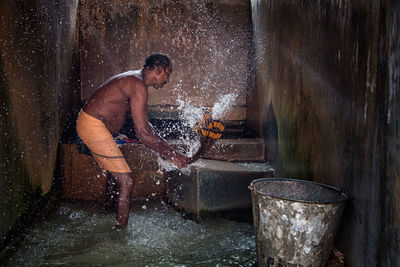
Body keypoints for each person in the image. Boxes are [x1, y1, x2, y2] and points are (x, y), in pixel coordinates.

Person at [76, 53, 190, 228]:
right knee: (126, 180)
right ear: (159, 70)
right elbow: (142, 134)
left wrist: (172, 151)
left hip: (95, 125)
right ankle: (120, 236)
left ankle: (108, 213)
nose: (167, 80)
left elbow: (147, 127)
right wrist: (173, 154)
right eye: (168, 75)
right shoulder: (138, 85)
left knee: (116, 173)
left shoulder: (136, 81)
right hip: (92, 125)